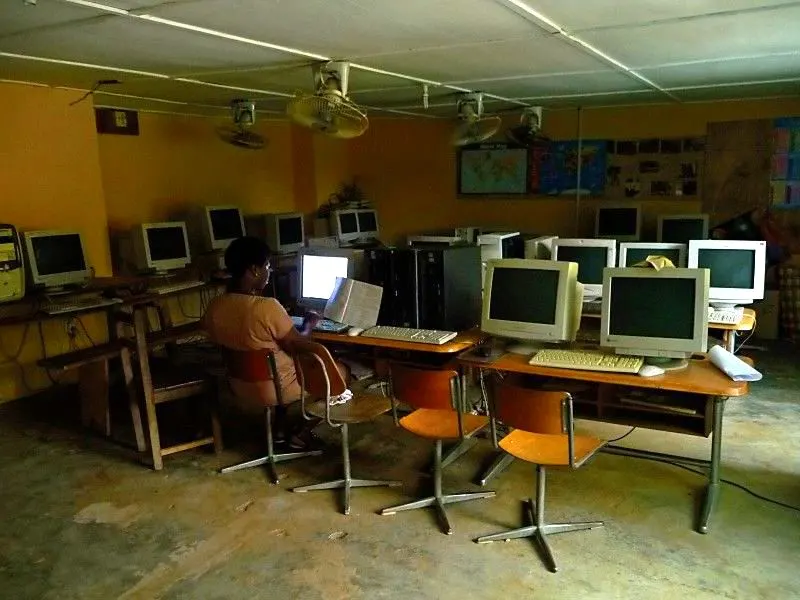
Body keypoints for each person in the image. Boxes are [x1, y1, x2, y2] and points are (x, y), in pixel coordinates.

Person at [202, 236, 321, 447]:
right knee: (343, 373)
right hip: (278, 388)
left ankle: (280, 430)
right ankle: (299, 432)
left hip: (239, 386)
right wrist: (309, 324)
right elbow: (298, 346)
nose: (270, 271)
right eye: (267, 265)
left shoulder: (215, 306)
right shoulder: (267, 307)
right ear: (255, 270)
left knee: (278, 365)